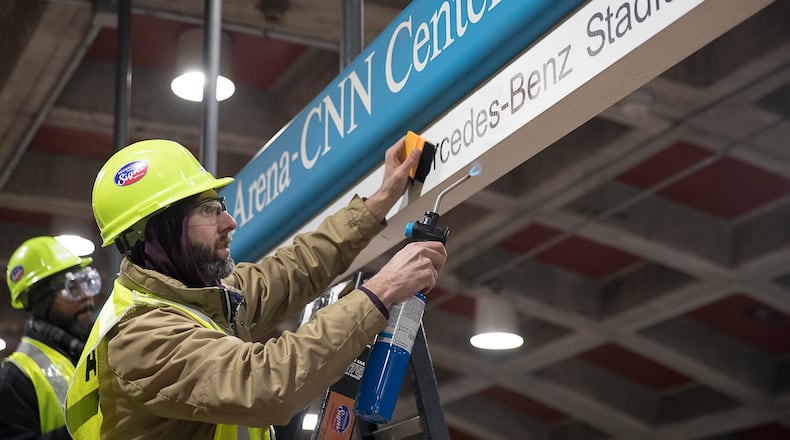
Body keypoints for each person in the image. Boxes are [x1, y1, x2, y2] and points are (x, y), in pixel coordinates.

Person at [65, 138, 447, 439]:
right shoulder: (141, 337)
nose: (229, 222)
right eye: (208, 210)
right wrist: (382, 289)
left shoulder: (197, 299)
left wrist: (378, 203)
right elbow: (267, 383)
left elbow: (291, 270)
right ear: (161, 232)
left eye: (221, 205)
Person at [1, 236, 100, 439]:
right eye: (73, 288)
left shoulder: (93, 350)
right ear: (40, 301)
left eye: (88, 283)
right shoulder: (15, 378)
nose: (87, 296)